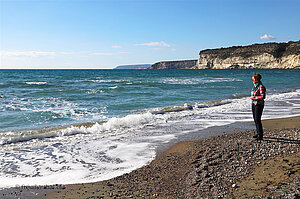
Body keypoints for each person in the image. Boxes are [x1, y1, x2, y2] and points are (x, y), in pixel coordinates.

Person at [251, 73, 266, 140]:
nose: (252, 80)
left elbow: (263, 97)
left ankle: (260, 135)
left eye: (253, 79)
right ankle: (258, 133)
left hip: (259, 104)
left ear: (256, 80)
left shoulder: (261, 87)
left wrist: (254, 97)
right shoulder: (255, 86)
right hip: (254, 104)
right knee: (255, 119)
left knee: (257, 119)